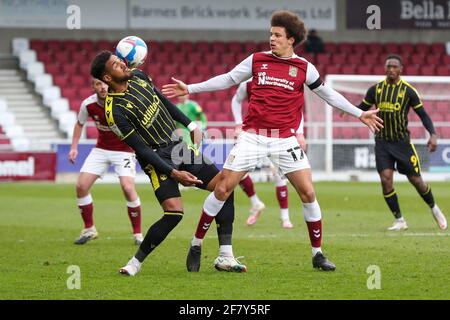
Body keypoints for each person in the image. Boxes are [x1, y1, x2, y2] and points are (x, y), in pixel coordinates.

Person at [162, 10, 383, 271]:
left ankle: (318, 254)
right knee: (222, 189)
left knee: (308, 192)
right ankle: (196, 243)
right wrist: (191, 88)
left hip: (285, 140)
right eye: (271, 34)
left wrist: (360, 114)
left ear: (291, 40)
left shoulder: (304, 68)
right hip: (252, 137)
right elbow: (230, 79)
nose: (272, 39)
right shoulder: (257, 60)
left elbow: (328, 94)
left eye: (278, 35)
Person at [90, 51, 246, 276]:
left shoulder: (139, 77)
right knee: (174, 213)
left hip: (178, 146)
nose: (122, 64)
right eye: (116, 65)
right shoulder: (114, 112)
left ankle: (225, 256)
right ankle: (135, 263)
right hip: (156, 159)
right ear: (107, 78)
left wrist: (191, 125)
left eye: (120, 60)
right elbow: (141, 149)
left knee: (225, 187)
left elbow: (162, 101)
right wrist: (174, 173)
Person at [357, 54, 447, 231]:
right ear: (385, 68)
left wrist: (433, 134)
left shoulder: (408, 91)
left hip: (402, 143)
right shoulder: (376, 90)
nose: (391, 69)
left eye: (394, 67)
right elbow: (362, 108)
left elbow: (423, 115)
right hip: (382, 142)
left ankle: (434, 208)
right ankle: (399, 220)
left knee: (416, 181)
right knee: (386, 179)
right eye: (388, 66)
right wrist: (344, 108)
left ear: (401, 69)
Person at [68, 78, 143, 245]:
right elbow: (79, 124)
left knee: (128, 188)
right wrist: (74, 147)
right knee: (81, 186)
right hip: (101, 149)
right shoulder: (88, 104)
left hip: (124, 151)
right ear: (93, 86)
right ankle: (89, 229)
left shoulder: (122, 101)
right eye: (97, 84)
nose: (102, 87)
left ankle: (138, 234)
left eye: (104, 84)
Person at [232, 79, 308, 228]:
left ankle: (285, 218)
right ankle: (256, 203)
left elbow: (296, 108)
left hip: (278, 135)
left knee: (278, 175)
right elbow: (236, 100)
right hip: (253, 135)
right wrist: (238, 123)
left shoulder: (281, 82)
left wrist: (300, 133)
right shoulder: (248, 83)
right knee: (237, 171)